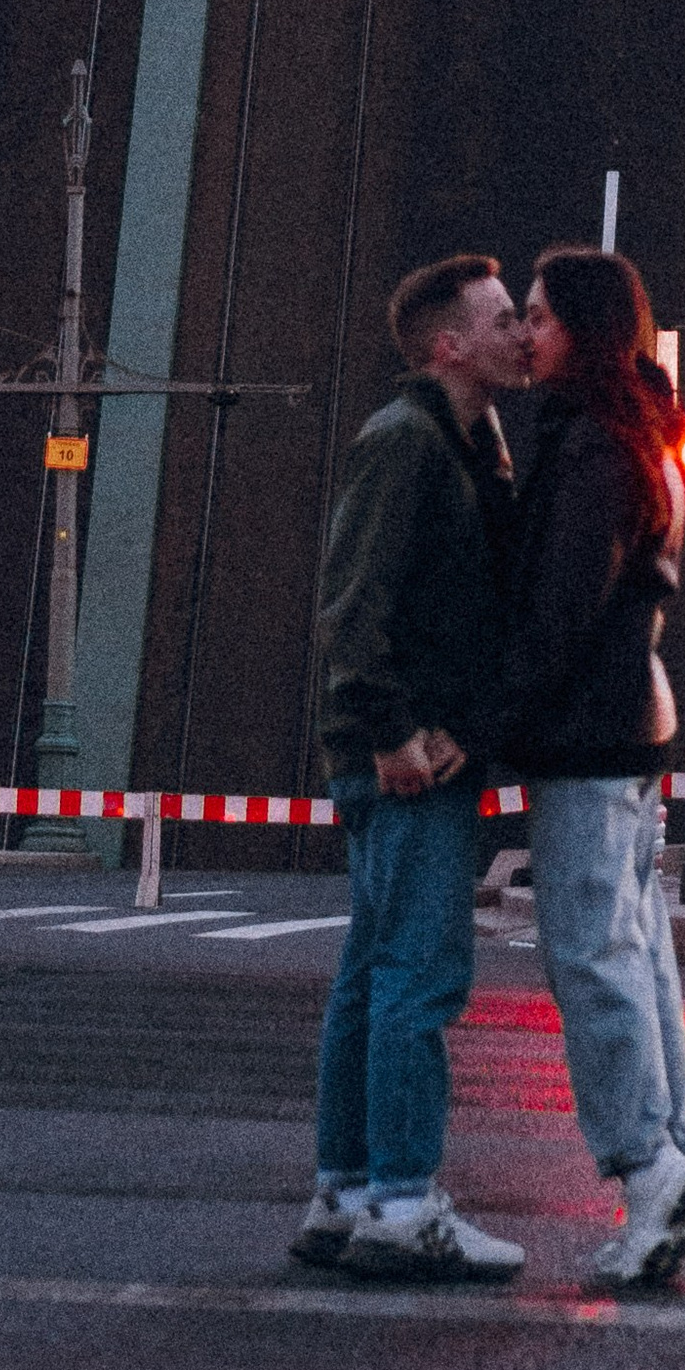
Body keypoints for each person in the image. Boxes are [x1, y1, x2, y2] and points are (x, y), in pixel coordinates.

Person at [506, 244, 685, 1290]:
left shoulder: (593, 447)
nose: (526, 335)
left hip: (590, 733)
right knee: (636, 955)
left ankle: (649, 1167)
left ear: (584, 331)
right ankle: (675, 1159)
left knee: (590, 958)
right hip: (626, 725)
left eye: (540, 317)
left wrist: (492, 720)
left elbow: (560, 609)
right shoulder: (631, 433)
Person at [296, 254, 530, 1281]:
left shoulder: (466, 445)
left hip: (415, 749)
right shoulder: (405, 442)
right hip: (405, 761)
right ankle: (402, 1204)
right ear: (449, 344)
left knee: (370, 978)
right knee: (419, 978)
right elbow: (353, 604)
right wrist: (390, 733)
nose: (521, 332)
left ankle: (345, 1194)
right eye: (502, 318)